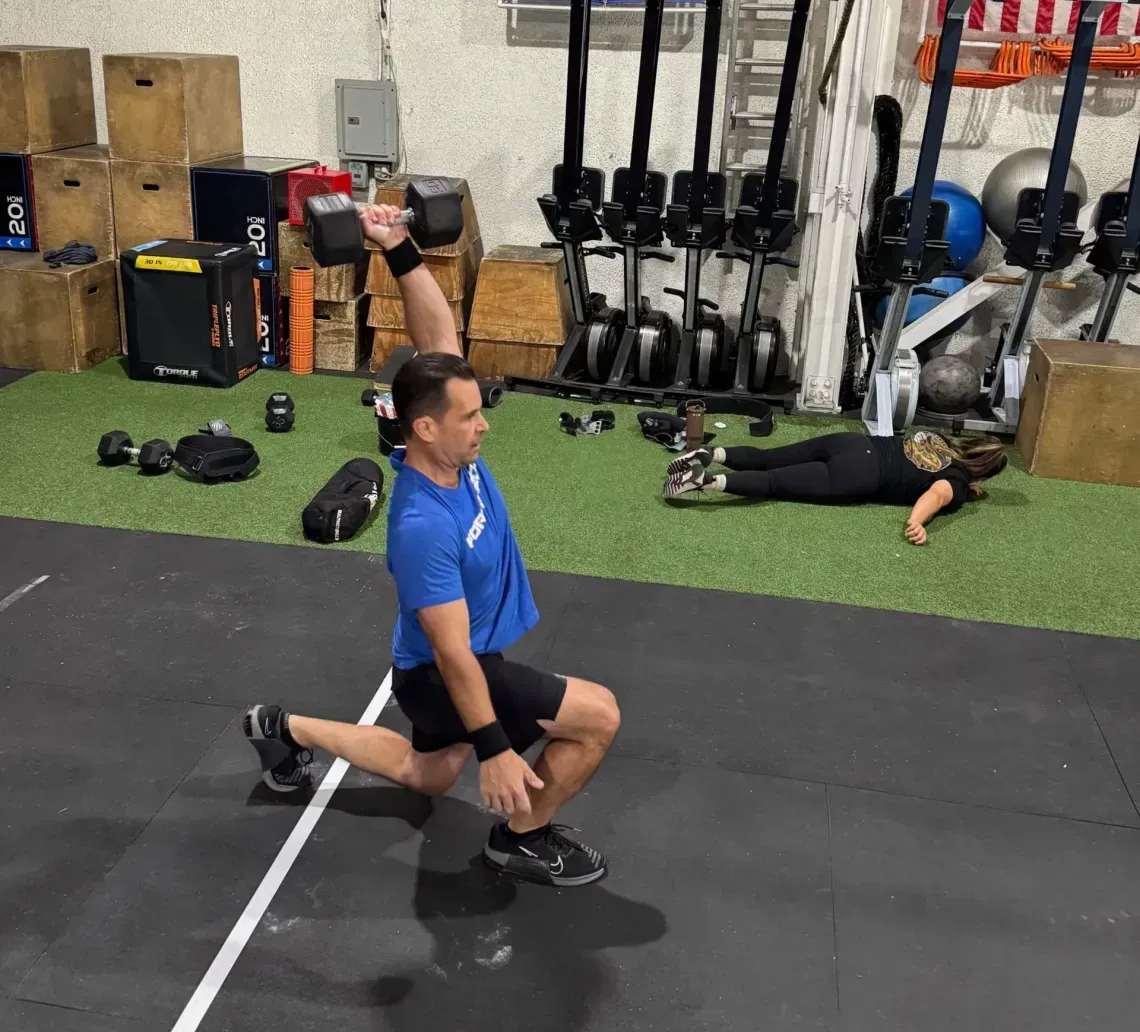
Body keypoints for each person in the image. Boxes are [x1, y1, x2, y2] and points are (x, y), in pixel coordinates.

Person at [245, 204, 620, 887]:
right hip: (444, 672)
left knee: (430, 775)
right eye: (469, 416)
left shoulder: (451, 457)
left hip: (440, 665)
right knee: (597, 716)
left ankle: (284, 728)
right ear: (424, 429)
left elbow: (438, 337)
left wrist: (395, 244)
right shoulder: (422, 528)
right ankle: (521, 839)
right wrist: (498, 749)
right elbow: (452, 655)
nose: (483, 426)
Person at [663, 430, 1007, 545]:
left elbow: (939, 473)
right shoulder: (957, 483)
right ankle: (706, 482)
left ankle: (715, 452)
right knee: (774, 484)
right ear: (983, 475)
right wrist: (918, 521)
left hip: (852, 443)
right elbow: (938, 493)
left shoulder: (938, 439)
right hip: (859, 476)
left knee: (770, 459)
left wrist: (968, 483)